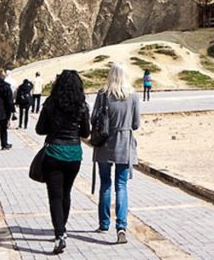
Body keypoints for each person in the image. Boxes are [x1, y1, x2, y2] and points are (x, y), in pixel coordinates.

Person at [36, 70, 91, 254]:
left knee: (55, 197)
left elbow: (39, 129)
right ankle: (63, 229)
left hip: (54, 153)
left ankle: (60, 234)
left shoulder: (51, 103)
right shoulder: (81, 106)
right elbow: (85, 133)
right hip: (74, 154)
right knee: (66, 193)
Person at [92, 63, 141, 244]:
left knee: (105, 183)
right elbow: (136, 124)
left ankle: (104, 223)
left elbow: (93, 119)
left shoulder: (103, 94)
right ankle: (121, 226)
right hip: (124, 144)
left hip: (104, 144)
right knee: (121, 186)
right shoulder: (133, 95)